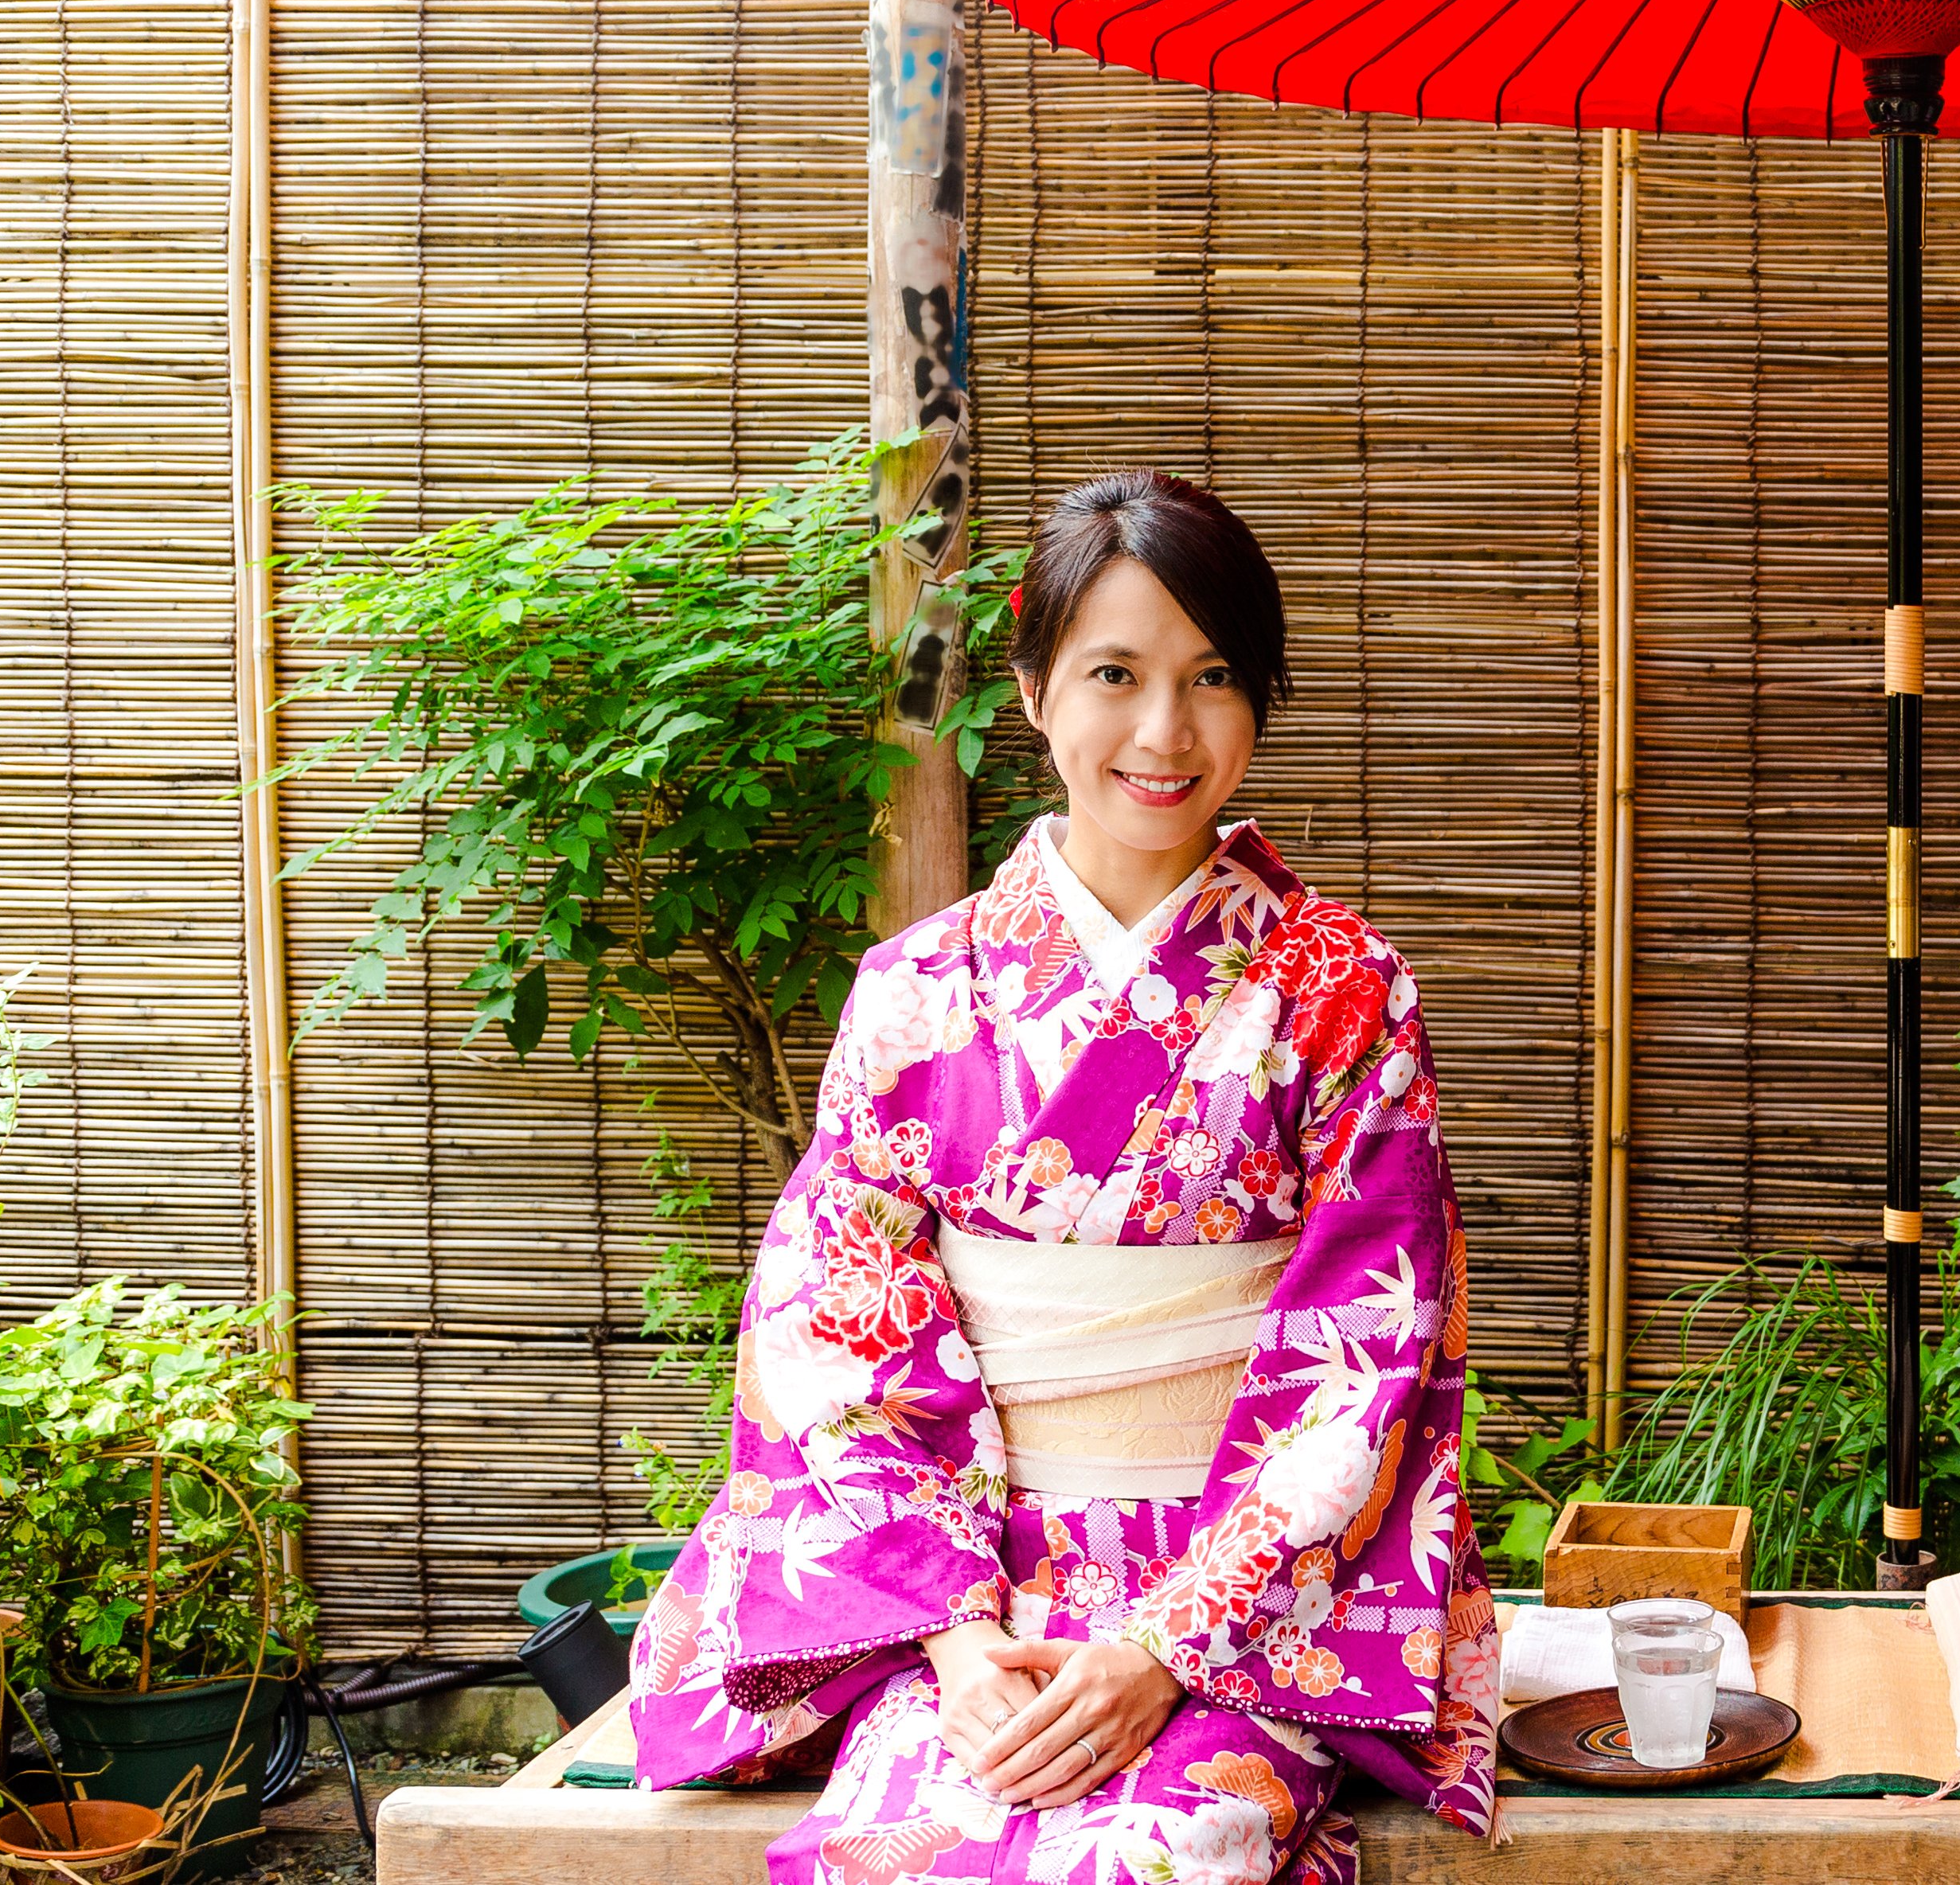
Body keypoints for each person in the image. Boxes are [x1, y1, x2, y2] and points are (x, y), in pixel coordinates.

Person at [627, 470, 1501, 1885]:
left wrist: (1161, 1649)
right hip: (975, 1584)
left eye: (1215, 677)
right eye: (1115, 674)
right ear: (1032, 689)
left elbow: (1371, 1349)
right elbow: (833, 1326)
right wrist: (956, 1631)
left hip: (1239, 1597)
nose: (1166, 731)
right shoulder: (915, 990)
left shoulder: (1341, 987)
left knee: (1173, 1849)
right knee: (903, 1847)